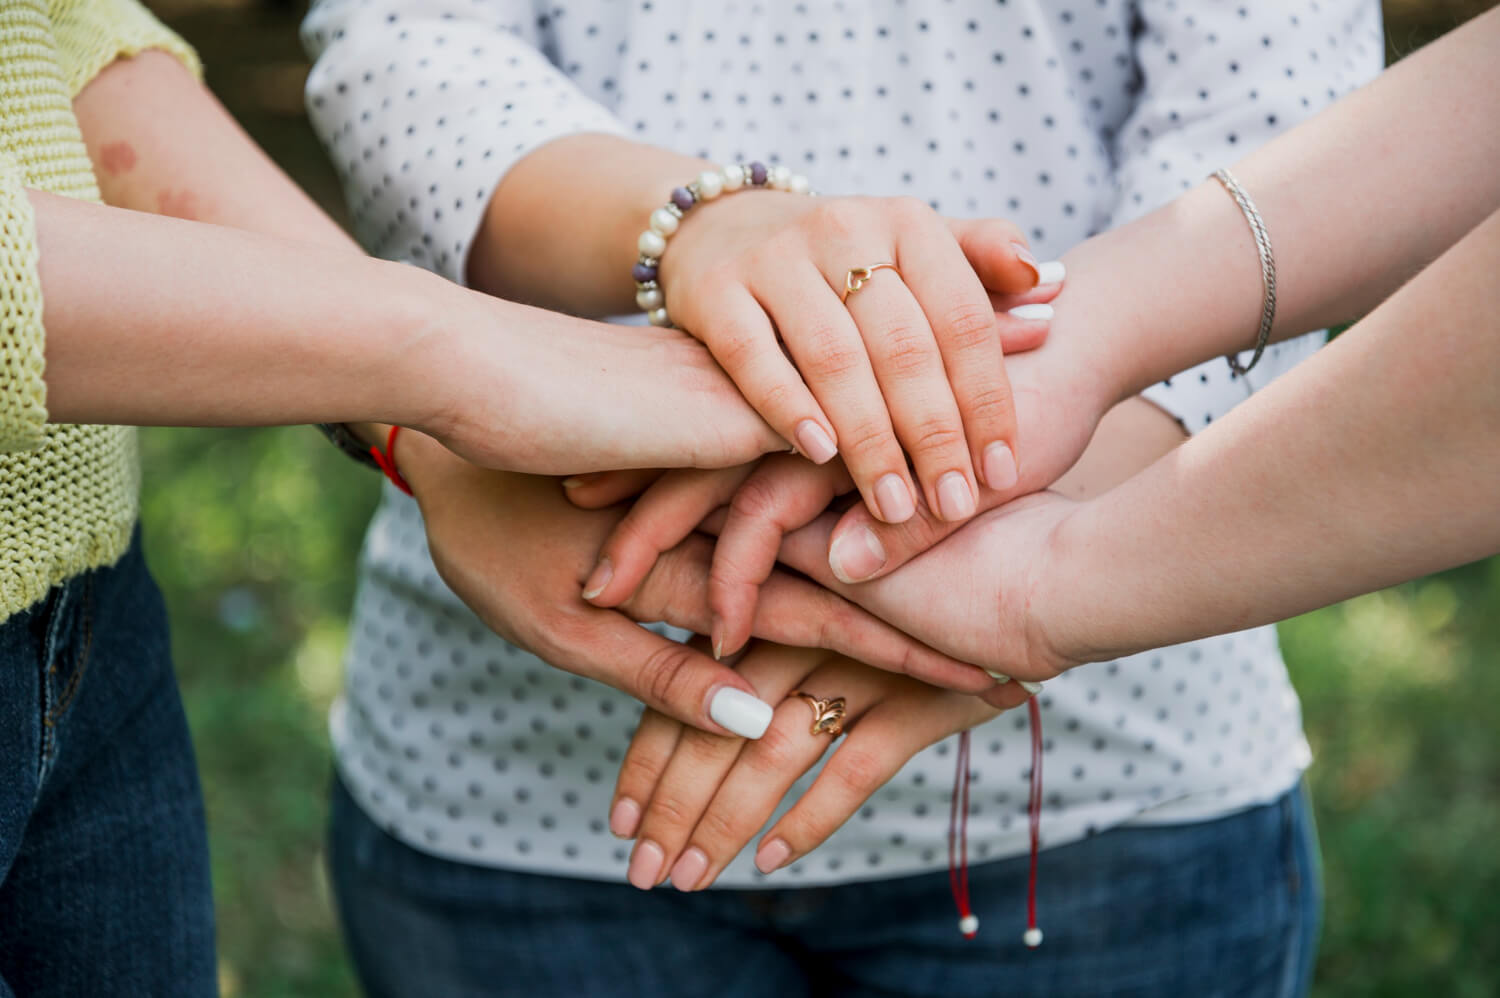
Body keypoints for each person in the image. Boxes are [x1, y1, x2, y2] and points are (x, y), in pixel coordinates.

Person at [300, 1, 1382, 994]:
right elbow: (404, 41)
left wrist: (990, 524)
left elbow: (1283, 130)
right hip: (525, 788)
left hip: (1104, 791)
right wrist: (700, 226)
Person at [0, 2, 991, 991]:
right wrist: (446, 360)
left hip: (85, 618)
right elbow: (402, 44)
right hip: (503, 802)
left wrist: (422, 427)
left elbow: (52, 39)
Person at [585, 0, 1500, 940]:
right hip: (518, 767)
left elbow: (1270, 95)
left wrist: (1037, 563)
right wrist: (1056, 370)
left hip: (1122, 784)